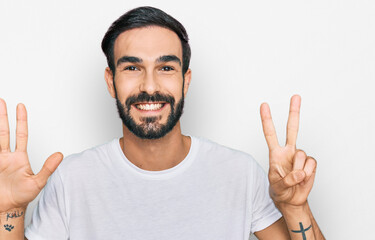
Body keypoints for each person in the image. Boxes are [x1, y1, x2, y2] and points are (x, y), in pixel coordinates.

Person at [0, 6, 325, 240]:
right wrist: (7, 215)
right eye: (132, 68)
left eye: (166, 68)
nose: (150, 86)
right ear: (111, 81)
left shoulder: (239, 173)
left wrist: (296, 207)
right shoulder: (72, 179)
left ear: (186, 80)